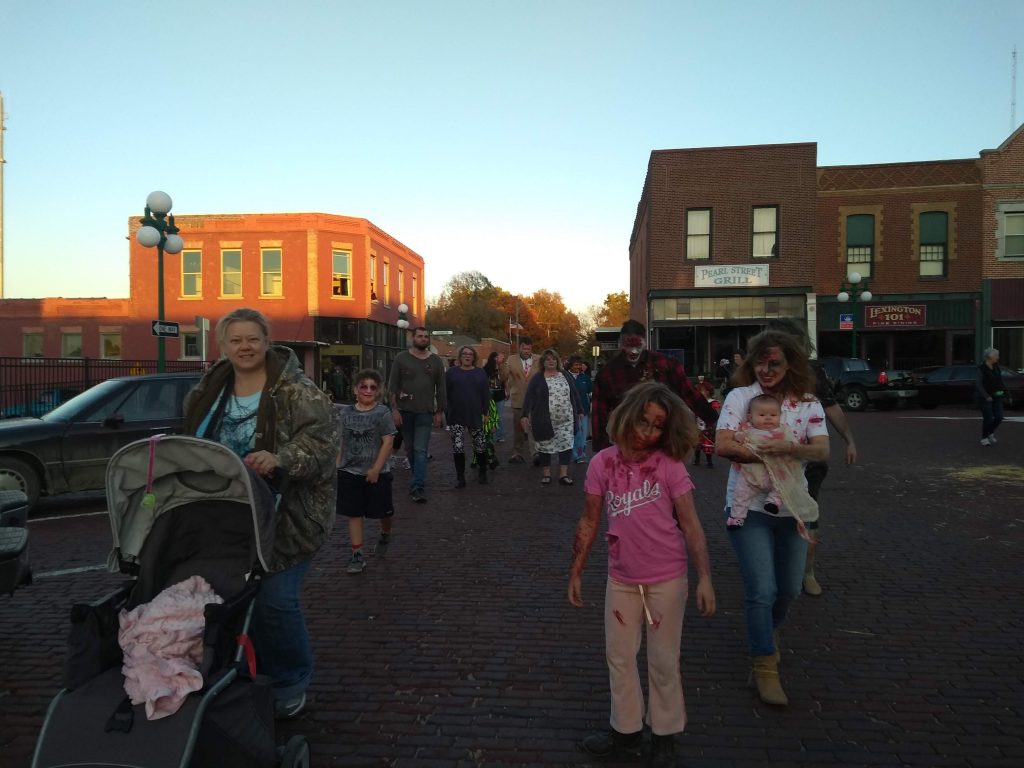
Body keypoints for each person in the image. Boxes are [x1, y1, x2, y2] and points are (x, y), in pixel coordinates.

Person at [183, 307, 338, 720]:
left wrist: (282, 457)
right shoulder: (209, 389)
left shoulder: (296, 390)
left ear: (267, 341)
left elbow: (323, 445)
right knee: (227, 596)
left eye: (253, 338)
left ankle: (290, 680)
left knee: (275, 600)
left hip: (287, 514)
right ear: (222, 346)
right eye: (236, 340)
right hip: (226, 516)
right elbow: (191, 437)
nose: (245, 347)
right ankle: (241, 668)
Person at [568, 382, 716, 767]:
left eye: (656, 426)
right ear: (628, 415)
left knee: (664, 660)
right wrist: (577, 572)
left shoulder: (669, 466)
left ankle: (665, 735)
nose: (647, 432)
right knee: (619, 656)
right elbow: (589, 519)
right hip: (621, 578)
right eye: (643, 421)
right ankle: (626, 733)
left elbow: (691, 523)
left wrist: (705, 578)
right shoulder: (603, 463)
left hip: (667, 578)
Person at [715, 330, 829, 707]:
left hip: (792, 507)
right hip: (748, 509)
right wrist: (768, 455)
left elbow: (821, 450)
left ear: (791, 363)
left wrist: (788, 447)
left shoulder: (808, 403)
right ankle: (764, 665)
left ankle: (770, 632)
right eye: (759, 362)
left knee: (790, 589)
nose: (766, 369)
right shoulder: (740, 397)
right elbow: (723, 444)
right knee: (762, 590)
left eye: (774, 362)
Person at [764, 318, 858, 597]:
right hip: (769, 461)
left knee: (807, 515)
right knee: (767, 512)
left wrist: (849, 440)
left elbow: (832, 409)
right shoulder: (762, 373)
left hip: (808, 461)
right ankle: (772, 564)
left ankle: (807, 571)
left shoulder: (813, 375)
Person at [591, 320, 719, 453]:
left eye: (637, 345)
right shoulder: (607, 373)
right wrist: (602, 452)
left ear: (645, 343)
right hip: (626, 444)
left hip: (661, 442)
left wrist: (715, 421)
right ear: (621, 344)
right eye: (629, 346)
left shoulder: (664, 364)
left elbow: (690, 393)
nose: (633, 351)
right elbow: (599, 415)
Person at [726, 394, 818, 532]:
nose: (768, 418)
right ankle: (737, 517)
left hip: (776, 474)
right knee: (741, 493)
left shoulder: (783, 430)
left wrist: (788, 446)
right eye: (762, 415)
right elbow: (738, 439)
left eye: (773, 415)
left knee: (785, 484)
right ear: (751, 417)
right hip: (752, 475)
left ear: (780, 416)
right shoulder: (748, 430)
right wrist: (738, 438)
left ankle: (773, 501)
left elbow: (792, 444)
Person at [337, 369, 396, 575]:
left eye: (373, 387)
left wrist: (377, 468)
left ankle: (385, 533)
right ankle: (357, 554)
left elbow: (388, 442)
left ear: (378, 391)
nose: (368, 390)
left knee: (383, 511)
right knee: (354, 513)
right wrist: (337, 466)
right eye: (364, 386)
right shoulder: (345, 413)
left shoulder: (383, 413)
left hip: (377, 472)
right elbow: (340, 442)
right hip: (350, 471)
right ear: (355, 390)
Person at [388, 327, 447, 503]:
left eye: (426, 336)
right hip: (405, 412)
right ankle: (417, 478)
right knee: (411, 451)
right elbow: (393, 386)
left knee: (420, 450)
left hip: (425, 412)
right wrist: (395, 409)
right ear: (412, 338)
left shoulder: (435, 361)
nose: (423, 339)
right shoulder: (401, 358)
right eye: (419, 336)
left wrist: (439, 411)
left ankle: (417, 487)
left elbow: (441, 387)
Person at [521, 349, 583, 485]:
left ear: (557, 361)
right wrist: (524, 414)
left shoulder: (565, 375)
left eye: (553, 359)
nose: (551, 361)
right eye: (548, 359)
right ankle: (546, 474)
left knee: (566, 445)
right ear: (543, 362)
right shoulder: (537, 378)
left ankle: (563, 474)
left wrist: (579, 410)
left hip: (566, 420)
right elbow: (529, 397)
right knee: (544, 446)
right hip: (544, 419)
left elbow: (574, 394)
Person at [445, 346, 491, 487]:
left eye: (470, 354)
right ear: (460, 356)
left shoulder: (480, 373)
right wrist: (445, 412)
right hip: (456, 415)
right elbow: (444, 393)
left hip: (475, 414)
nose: (467, 356)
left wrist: (486, 412)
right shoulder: (451, 373)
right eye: (464, 354)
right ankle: (460, 477)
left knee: (480, 445)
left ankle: (482, 472)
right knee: (458, 447)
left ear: (474, 357)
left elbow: (485, 394)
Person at [502, 336, 541, 463]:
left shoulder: (539, 359)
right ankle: (518, 452)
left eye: (528, 348)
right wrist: (501, 365)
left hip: (535, 400)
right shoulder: (511, 359)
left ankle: (535, 453)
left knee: (533, 427)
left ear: (531, 348)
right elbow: (504, 377)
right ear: (519, 347)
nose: (526, 350)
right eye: (524, 348)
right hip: (518, 399)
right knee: (518, 428)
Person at [977, 347, 1005, 446]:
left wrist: (1006, 393)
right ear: (990, 357)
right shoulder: (981, 368)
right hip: (985, 398)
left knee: (999, 417)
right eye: (996, 355)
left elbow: (1001, 381)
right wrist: (986, 396)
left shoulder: (997, 367)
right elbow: (979, 384)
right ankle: (984, 438)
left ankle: (990, 432)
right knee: (988, 418)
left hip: (997, 396)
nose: (998, 357)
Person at [568, 355, 593, 463]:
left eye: (579, 364)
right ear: (570, 365)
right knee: (570, 434)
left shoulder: (584, 378)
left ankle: (579, 455)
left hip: (583, 411)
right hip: (568, 411)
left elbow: (591, 392)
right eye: (575, 364)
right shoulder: (564, 377)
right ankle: (568, 455)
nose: (577, 367)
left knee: (581, 434)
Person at [484, 351, 508, 443]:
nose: (503, 358)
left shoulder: (503, 367)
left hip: (500, 395)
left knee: (499, 417)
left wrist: (507, 391)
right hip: (489, 394)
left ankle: (500, 435)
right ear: (495, 358)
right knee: (489, 416)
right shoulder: (486, 368)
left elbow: (505, 380)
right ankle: (488, 435)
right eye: (501, 356)